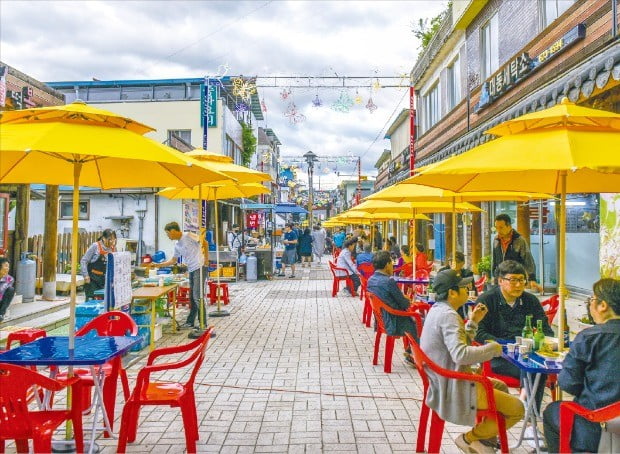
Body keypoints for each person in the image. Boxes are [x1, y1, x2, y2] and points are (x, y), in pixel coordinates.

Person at [421, 269, 524, 453]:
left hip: (443, 381)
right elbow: (460, 355)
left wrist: (473, 322)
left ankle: (485, 443)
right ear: (452, 292)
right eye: (463, 288)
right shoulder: (449, 316)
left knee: (500, 386)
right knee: (517, 409)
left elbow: (456, 344)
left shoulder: (438, 310)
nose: (468, 291)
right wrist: (493, 349)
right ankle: (468, 439)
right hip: (454, 387)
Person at [543, 278, 620, 453]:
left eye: (591, 300)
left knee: (551, 412)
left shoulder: (589, 337)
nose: (589, 305)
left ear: (603, 305)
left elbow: (569, 384)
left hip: (595, 426)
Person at [475, 260, 553, 416]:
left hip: (526, 353)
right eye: (513, 280)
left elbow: (546, 330)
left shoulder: (530, 301)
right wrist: (505, 345)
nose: (518, 285)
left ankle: (528, 413)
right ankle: (528, 415)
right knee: (530, 370)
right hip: (498, 356)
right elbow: (479, 332)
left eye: (521, 280)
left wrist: (541, 341)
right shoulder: (487, 300)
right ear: (500, 281)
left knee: (536, 368)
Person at [154, 222, 206, 329]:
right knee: (192, 297)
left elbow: (205, 243)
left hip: (200, 267)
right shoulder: (177, 245)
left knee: (197, 296)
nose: (168, 236)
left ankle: (203, 323)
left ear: (173, 231)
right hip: (191, 269)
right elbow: (173, 260)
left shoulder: (188, 235)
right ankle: (190, 322)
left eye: (168, 234)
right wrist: (158, 265)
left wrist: (207, 260)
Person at [367, 250, 419, 342]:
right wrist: (406, 299)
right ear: (387, 264)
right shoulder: (388, 282)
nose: (392, 266)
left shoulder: (371, 280)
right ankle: (416, 352)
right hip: (395, 322)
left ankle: (410, 351)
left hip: (381, 321)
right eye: (391, 263)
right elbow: (405, 304)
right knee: (421, 321)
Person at [493, 213, 541, 292]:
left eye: (501, 227)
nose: (498, 230)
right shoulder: (496, 239)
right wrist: (495, 277)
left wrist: (532, 278)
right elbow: (495, 260)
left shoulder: (519, 240)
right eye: (496, 228)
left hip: (515, 280)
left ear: (509, 226)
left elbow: (528, 259)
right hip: (501, 279)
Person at [80, 228, 117, 300]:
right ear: (103, 238)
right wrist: (86, 276)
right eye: (109, 239)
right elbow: (83, 261)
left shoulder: (113, 248)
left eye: (113, 239)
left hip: (105, 280)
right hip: (93, 279)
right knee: (92, 302)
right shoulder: (95, 246)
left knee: (104, 302)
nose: (112, 242)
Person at [0, 257, 15, 322]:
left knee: (11, 290)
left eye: (8, 267)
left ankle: (1, 314)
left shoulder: (9, 279)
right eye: (6, 266)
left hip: (1, 301)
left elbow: (3, 292)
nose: (7, 269)